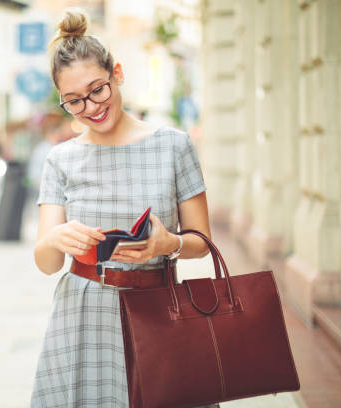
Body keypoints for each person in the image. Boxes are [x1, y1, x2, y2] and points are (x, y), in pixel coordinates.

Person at [31, 8, 214, 407]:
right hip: (83, 316)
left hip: (160, 307)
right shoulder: (60, 160)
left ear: (118, 73)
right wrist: (55, 239)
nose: (91, 107)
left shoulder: (174, 145)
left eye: (98, 89)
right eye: (74, 101)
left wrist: (168, 244)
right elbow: (46, 263)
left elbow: (201, 241)